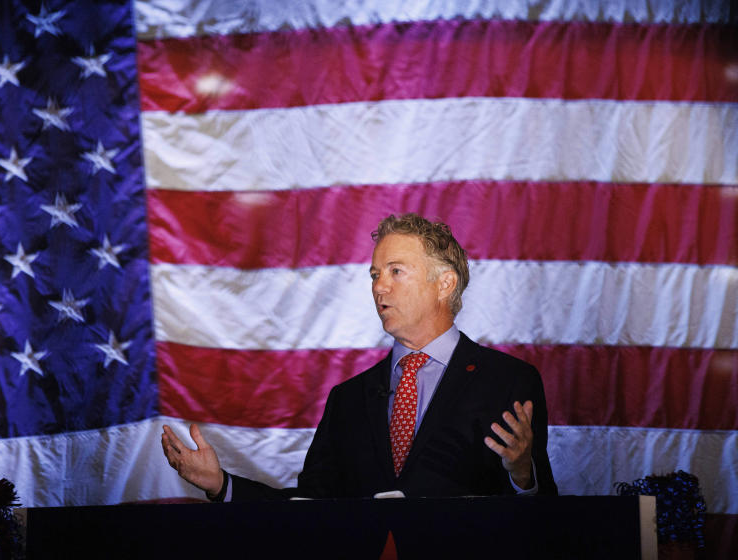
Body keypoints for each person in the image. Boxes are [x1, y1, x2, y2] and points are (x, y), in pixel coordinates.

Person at [161, 214, 557, 500]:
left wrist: (524, 475)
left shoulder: (507, 381)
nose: (379, 287)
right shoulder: (348, 399)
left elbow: (544, 523)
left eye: (396, 271)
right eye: (374, 274)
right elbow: (310, 508)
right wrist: (222, 485)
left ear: (445, 283)